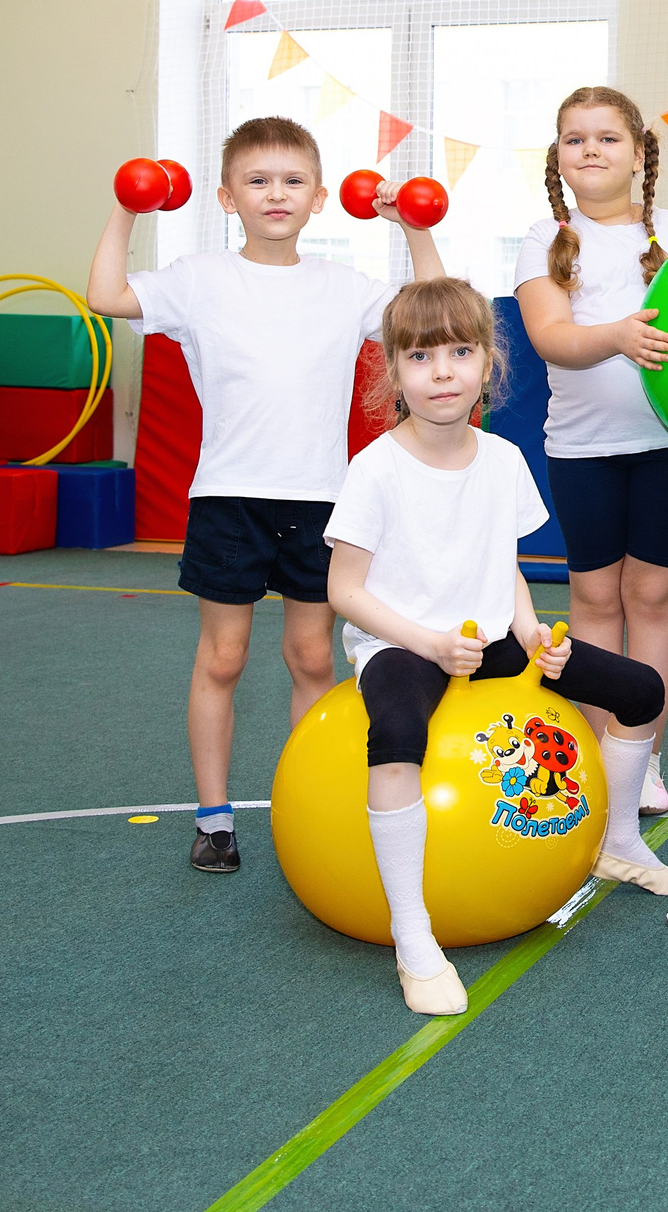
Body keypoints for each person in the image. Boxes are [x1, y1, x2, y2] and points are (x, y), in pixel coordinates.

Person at [85, 115, 440, 876]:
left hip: (321, 502)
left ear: (317, 198)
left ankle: (303, 800)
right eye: (257, 180)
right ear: (225, 196)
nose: (274, 193)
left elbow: (430, 311)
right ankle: (215, 820)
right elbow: (106, 294)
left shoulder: (343, 289)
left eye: (292, 180)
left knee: (313, 654)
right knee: (223, 656)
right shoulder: (196, 279)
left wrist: (410, 224)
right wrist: (127, 206)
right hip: (226, 499)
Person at [327, 278, 668, 1015]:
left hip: (492, 638)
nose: (443, 371)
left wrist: (530, 634)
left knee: (640, 689)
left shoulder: (503, 459)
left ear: (488, 364)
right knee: (397, 733)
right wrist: (425, 640)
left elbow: (506, 567)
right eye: (422, 356)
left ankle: (619, 839)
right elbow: (346, 590)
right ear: (393, 372)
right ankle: (412, 928)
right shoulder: (376, 467)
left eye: (461, 352)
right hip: (399, 643)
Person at [512, 86, 668, 815]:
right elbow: (551, 336)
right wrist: (619, 333)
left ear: (639, 155)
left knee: (652, 595)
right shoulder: (545, 237)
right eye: (574, 138)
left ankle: (642, 753)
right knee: (595, 596)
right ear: (558, 157)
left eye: (607, 138)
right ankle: (598, 756)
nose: (590, 149)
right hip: (581, 450)